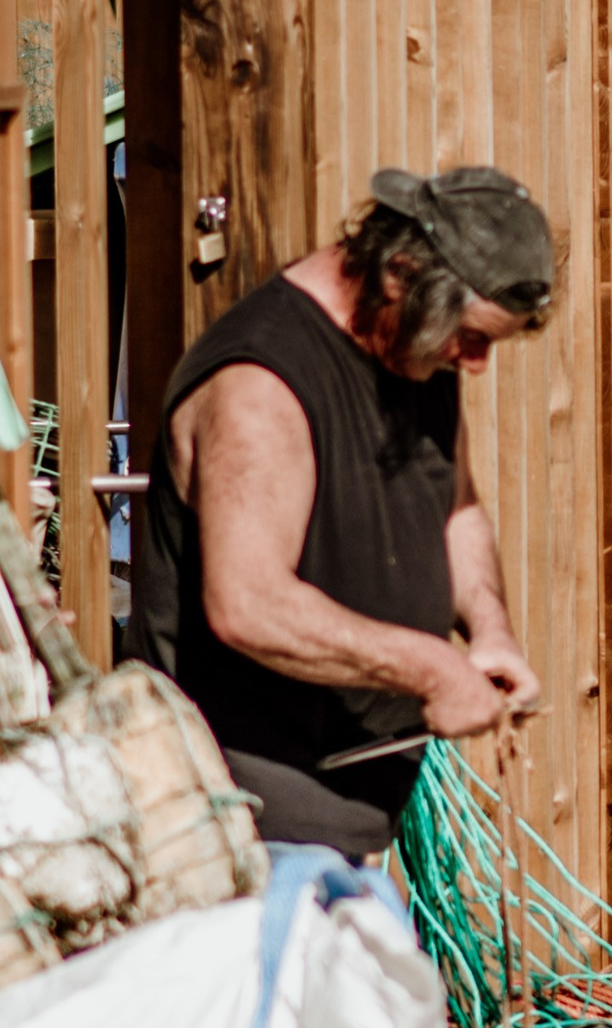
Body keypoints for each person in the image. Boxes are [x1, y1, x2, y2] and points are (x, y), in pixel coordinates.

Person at [133, 167, 551, 859]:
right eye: (473, 335)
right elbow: (248, 603)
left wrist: (490, 632)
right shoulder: (261, 385)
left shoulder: (415, 348)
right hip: (240, 833)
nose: (476, 364)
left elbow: (456, 508)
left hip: (346, 821)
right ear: (399, 275)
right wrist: (427, 668)